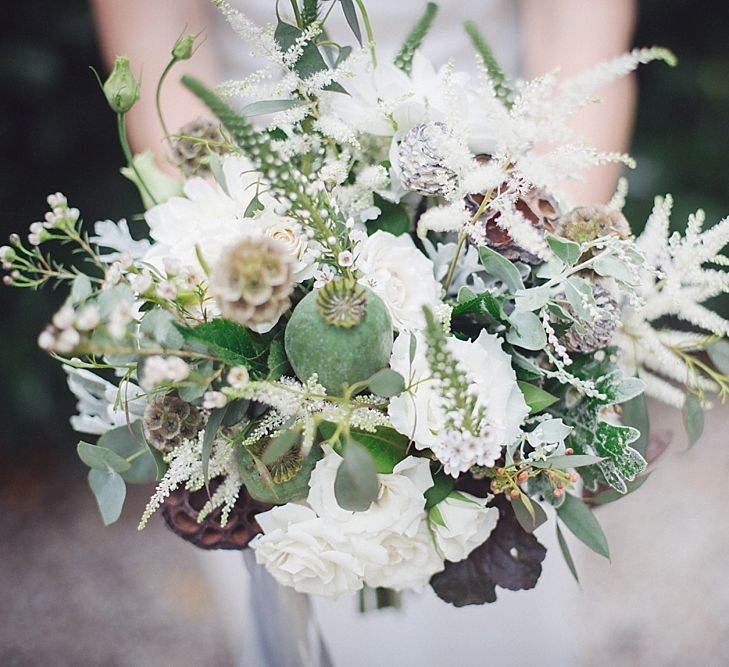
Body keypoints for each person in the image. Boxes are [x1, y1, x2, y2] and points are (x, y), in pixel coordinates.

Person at [90, 2, 638, 665]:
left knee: (493, 605)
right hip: (253, 209)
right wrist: (246, 270)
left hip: (495, 206)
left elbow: (578, 42)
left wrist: (530, 272)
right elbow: (160, 53)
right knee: (304, 580)